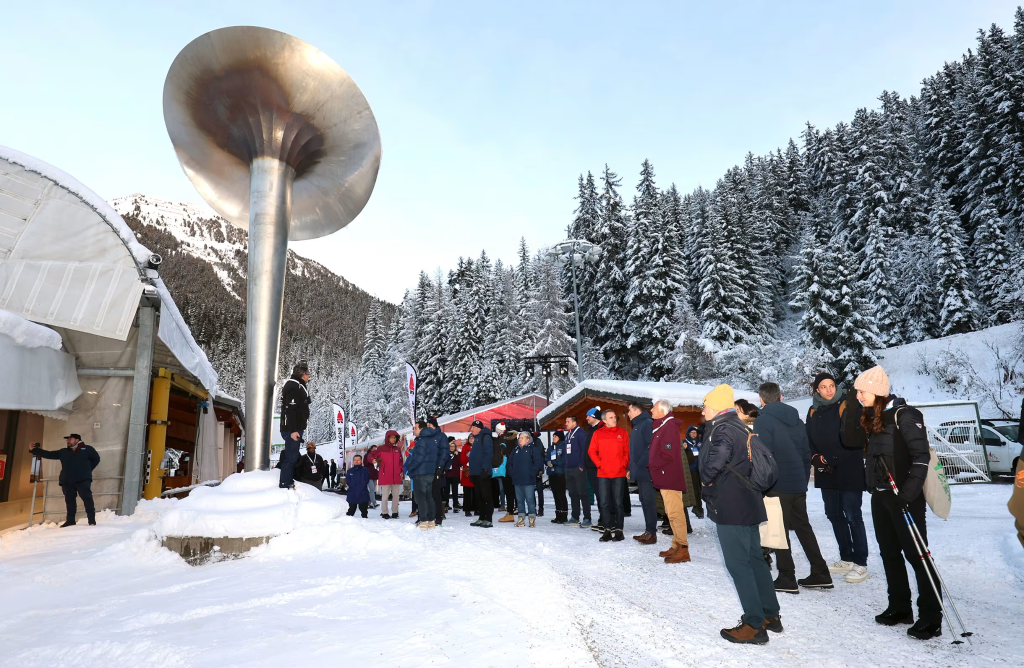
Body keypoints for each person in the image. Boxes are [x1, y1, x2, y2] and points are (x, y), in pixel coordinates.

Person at [854, 365, 942, 640]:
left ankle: (931, 617)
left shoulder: (906, 415)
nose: (858, 396)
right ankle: (900, 607)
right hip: (881, 496)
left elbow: (920, 459)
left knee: (917, 556)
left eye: (862, 391)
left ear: (877, 391)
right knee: (889, 553)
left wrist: (907, 494)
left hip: (905, 498)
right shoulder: (873, 416)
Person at [699, 384, 780, 645]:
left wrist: (705, 478)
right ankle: (770, 614)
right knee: (755, 559)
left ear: (715, 407)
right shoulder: (739, 425)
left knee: (738, 564)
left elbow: (717, 460)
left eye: (704, 406)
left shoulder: (722, 429)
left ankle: (754, 625)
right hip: (748, 502)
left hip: (731, 505)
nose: (702, 411)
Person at [753, 382, 833, 592]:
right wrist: (802, 479)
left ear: (761, 400)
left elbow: (764, 456)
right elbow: (806, 453)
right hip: (797, 482)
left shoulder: (762, 420)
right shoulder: (797, 420)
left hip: (777, 484)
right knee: (803, 527)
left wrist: (762, 484)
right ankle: (821, 572)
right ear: (781, 397)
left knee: (779, 530)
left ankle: (787, 577)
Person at [806, 372, 869, 584]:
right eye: (823, 387)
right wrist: (816, 458)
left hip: (849, 467)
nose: (829, 390)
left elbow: (855, 439)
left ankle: (861, 563)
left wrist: (829, 458)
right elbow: (809, 439)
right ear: (817, 389)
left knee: (852, 515)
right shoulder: (813, 410)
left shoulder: (848, 405)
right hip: (825, 469)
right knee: (833, 514)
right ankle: (847, 557)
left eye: (831, 385)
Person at [649, 400, 691, 563]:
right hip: (664, 475)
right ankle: (676, 545)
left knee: (675, 513)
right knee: (670, 512)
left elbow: (668, 453)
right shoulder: (662, 426)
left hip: (669, 476)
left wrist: (653, 464)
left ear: (662, 411)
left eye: (654, 408)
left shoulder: (669, 427)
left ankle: (683, 548)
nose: (651, 410)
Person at [30, 434, 100, 527]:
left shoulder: (87, 449)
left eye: (70, 439)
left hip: (82, 479)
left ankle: (91, 520)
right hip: (67, 480)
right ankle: (70, 520)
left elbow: (96, 459)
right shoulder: (64, 452)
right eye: (67, 440)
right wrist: (34, 450)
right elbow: (49, 454)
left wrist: (87, 470)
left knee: (87, 498)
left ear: (77, 440)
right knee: (69, 500)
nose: (68, 441)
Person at [589, 409, 629, 542]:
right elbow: (591, 451)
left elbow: (627, 451)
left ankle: (619, 530)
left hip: (619, 473)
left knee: (618, 503)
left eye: (615, 417)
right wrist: (599, 464)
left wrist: (623, 464)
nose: (614, 419)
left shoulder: (622, 433)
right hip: (603, 473)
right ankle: (607, 530)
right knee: (604, 503)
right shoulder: (598, 434)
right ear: (604, 420)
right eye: (611, 417)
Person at [627, 402, 657, 544]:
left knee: (649, 501)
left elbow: (651, 446)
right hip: (639, 469)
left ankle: (652, 533)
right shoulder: (637, 425)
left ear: (637, 411)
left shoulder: (647, 424)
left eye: (630, 411)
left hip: (646, 470)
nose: (628, 414)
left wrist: (640, 463)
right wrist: (630, 468)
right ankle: (648, 531)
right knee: (644, 500)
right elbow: (634, 451)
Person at [279, 361, 311, 489]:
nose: (309, 376)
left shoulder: (297, 385)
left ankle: (287, 480)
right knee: (291, 457)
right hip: (293, 429)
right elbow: (290, 410)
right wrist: (292, 430)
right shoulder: (294, 386)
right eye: (308, 374)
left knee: (293, 456)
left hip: (295, 427)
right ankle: (285, 483)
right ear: (303, 375)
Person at [407, 420, 443, 530]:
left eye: (415, 428)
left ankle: (423, 521)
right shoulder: (432, 440)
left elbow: (419, 458)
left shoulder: (422, 441)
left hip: (420, 473)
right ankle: (431, 521)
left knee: (420, 498)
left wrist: (410, 467)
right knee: (429, 497)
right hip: (429, 472)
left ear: (421, 429)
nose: (414, 430)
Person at [508, 430, 544, 526]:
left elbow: (538, 462)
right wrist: (512, 473)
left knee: (530, 499)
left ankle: (532, 518)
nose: (519, 440)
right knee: (519, 500)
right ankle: (521, 518)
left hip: (528, 480)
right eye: (519, 438)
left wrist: (532, 473)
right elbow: (510, 463)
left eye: (522, 438)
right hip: (517, 479)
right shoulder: (515, 450)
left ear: (528, 439)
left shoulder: (533, 449)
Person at [563, 416, 592, 528]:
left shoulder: (581, 434)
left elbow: (585, 450)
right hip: (568, 468)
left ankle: (587, 517)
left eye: (568, 421)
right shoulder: (568, 435)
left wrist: (581, 465)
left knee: (582, 493)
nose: (566, 423)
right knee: (573, 493)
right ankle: (575, 517)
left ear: (574, 422)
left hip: (578, 468)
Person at [367, 431, 403, 519]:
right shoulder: (381, 448)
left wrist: (401, 470)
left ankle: (395, 512)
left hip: (396, 476)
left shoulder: (398, 449)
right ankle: (384, 512)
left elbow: (401, 462)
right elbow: (370, 454)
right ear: (387, 438)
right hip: (385, 476)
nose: (393, 439)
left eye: (394, 437)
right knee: (385, 496)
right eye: (391, 437)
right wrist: (372, 460)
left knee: (396, 496)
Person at [467, 420, 494, 527]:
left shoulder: (485, 437)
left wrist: (485, 469)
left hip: (483, 472)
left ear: (478, 428)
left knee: (486, 496)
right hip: (475, 473)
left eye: (473, 427)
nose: (471, 430)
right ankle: (482, 517)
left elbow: (488, 454)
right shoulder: (477, 438)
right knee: (479, 497)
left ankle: (488, 518)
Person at [583, 406, 605, 531]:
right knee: (598, 494)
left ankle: (605, 520)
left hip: (598, 467)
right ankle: (603, 518)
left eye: (588, 416)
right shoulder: (592, 429)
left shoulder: (600, 429)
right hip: (591, 467)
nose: (586, 418)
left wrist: (598, 464)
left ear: (595, 417)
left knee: (602, 494)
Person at [427, 417, 448, 526]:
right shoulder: (425, 437)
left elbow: (445, 452)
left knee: (436, 493)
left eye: (429, 425)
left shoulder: (441, 436)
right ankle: (428, 515)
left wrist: (440, 466)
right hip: (426, 469)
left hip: (436, 468)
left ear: (434, 426)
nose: (428, 427)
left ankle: (438, 516)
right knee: (427, 493)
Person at [495, 423, 517, 521]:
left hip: (506, 468)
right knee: (513, 491)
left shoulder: (502, 439)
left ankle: (510, 513)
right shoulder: (513, 439)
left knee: (508, 491)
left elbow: (502, 452)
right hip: (513, 467)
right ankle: (514, 510)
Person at [547, 430, 568, 524]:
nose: (553, 438)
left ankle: (564, 515)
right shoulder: (551, 447)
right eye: (553, 436)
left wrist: (553, 462)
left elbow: (564, 460)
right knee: (555, 494)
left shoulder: (563, 447)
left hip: (560, 474)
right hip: (552, 474)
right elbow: (546, 457)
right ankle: (558, 515)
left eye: (555, 436)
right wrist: (548, 462)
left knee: (561, 495)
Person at [684, 425, 705, 519]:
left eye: (695, 432)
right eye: (691, 432)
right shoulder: (685, 442)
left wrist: (698, 429)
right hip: (692, 470)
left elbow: (705, 434)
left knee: (703, 491)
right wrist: (684, 449)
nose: (693, 434)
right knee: (696, 491)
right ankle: (698, 509)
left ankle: (698, 508)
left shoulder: (700, 441)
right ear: (688, 433)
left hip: (701, 469)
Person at [530, 431, 546, 517]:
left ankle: (540, 509)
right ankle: (534, 509)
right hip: (532, 469)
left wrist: (540, 470)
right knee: (532, 491)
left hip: (537, 469)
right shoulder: (534, 441)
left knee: (539, 490)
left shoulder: (537, 442)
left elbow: (540, 456)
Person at [443, 438, 461, 511]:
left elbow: (460, 463)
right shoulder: (446, 454)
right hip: (447, 474)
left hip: (455, 474)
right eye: (450, 446)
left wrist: (457, 455)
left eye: (453, 446)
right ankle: (446, 505)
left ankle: (455, 505)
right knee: (446, 491)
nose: (452, 448)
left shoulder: (458, 454)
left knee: (455, 491)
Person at [460, 436, 475, 516]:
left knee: (476, 491)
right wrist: (469, 455)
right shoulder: (465, 447)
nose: (471, 440)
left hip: (475, 471)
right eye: (470, 439)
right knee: (467, 492)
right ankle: (467, 509)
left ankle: (476, 508)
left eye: (473, 438)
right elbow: (462, 460)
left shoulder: (478, 446)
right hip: (467, 472)